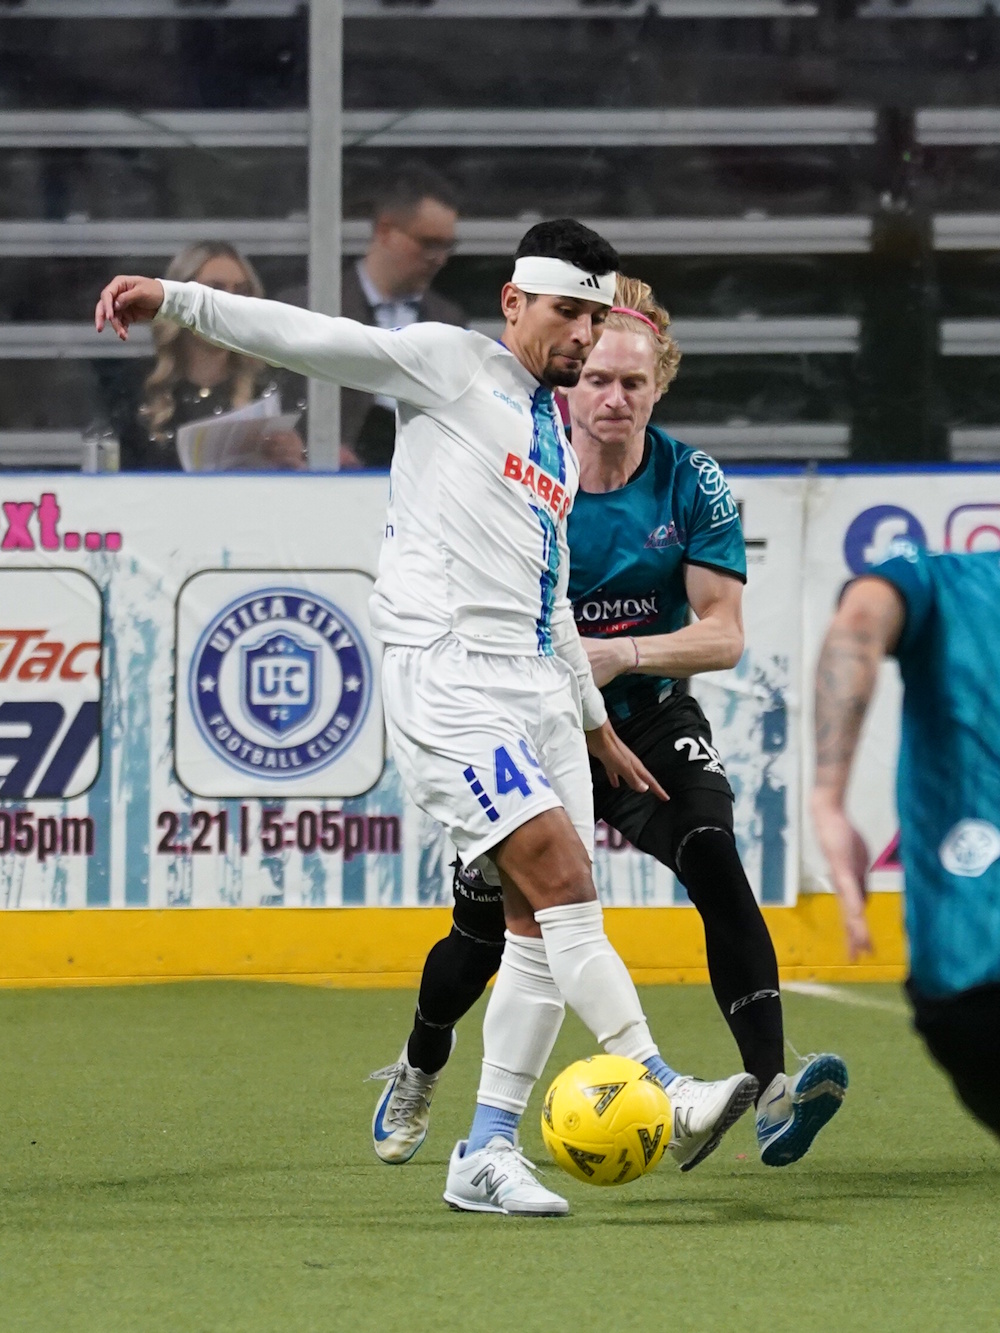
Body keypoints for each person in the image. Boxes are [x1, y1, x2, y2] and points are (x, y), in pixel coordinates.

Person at [95, 218, 754, 1218]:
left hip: (538, 687)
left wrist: (590, 716)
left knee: (535, 928)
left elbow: (550, 587)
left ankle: (484, 1149)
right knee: (564, 880)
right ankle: (662, 1082)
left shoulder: (551, 432)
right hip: (449, 678)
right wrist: (177, 299)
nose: (582, 336)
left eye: (593, 317)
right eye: (567, 313)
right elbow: (310, 338)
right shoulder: (451, 367)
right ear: (514, 303)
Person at [370, 276, 847, 1173]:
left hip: (647, 719)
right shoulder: (522, 468)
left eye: (634, 381)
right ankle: (421, 1064)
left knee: (713, 851)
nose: (614, 397)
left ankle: (772, 1091)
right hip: (525, 723)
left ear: (659, 386)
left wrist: (619, 655)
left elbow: (724, 636)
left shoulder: (691, 480)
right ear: (570, 381)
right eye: (598, 379)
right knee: (482, 935)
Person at [812, 539, 1000, 1141]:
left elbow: (861, 618)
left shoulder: (950, 581)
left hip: (971, 979)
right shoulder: (942, 582)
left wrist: (828, 799)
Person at [275, 164, 465, 469]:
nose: (440, 259)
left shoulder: (449, 320)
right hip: (322, 485)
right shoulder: (306, 307)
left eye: (447, 246)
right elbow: (277, 411)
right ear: (385, 230)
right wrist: (315, 451)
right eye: (429, 244)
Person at [106, 241, 305, 472]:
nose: (230, 303)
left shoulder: (273, 385)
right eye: (215, 291)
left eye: (241, 291)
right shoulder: (137, 388)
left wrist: (294, 460)